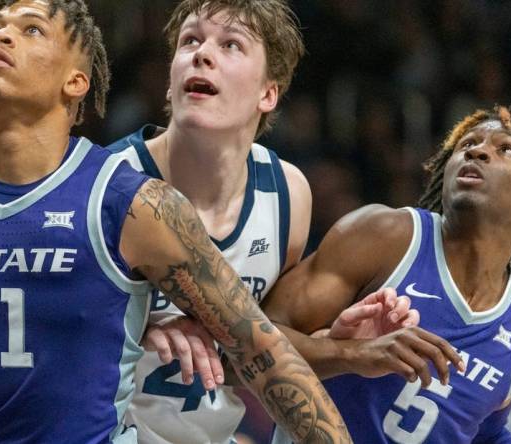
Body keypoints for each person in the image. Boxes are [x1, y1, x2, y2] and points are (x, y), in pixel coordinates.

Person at [0, 1, 352, 443]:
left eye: (30, 29)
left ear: (76, 80)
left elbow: (263, 351)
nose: (0, 34)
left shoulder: (133, 203)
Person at [106, 1, 461, 443]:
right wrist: (139, 329)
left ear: (267, 94)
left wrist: (338, 342)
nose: (202, 53)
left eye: (231, 44)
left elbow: (259, 351)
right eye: (190, 41)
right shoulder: (107, 183)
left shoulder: (286, 195)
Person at [266, 101, 511, 443]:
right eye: (467, 145)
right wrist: (351, 355)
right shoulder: (385, 236)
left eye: (506, 150)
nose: (478, 153)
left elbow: (484, 431)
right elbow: (246, 342)